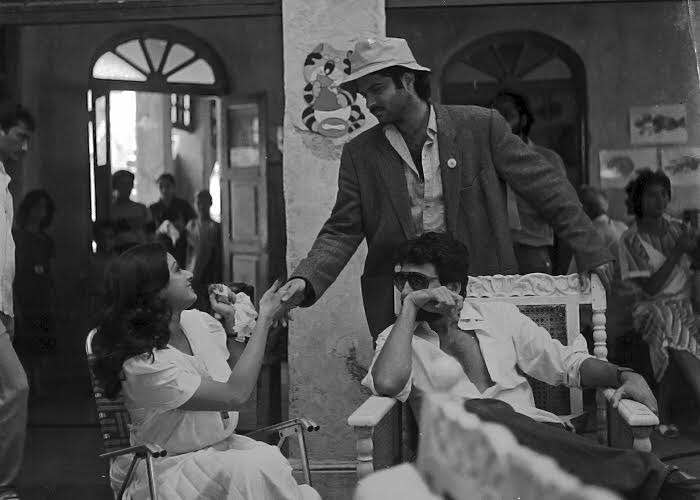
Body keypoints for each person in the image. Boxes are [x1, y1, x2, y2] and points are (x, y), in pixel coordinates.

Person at [279, 37, 613, 339]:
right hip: (401, 301)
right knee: (413, 397)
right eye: (365, 94)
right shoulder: (360, 153)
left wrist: (591, 249)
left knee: (487, 386)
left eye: (377, 89)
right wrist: (306, 279)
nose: (369, 103)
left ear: (407, 80)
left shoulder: (481, 126)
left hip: (478, 290)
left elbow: (548, 189)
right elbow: (342, 229)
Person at [364, 231, 700, 499]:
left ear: (452, 288)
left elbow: (566, 364)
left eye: (419, 283)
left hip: (537, 443)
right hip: (462, 459)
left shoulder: (498, 317)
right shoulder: (396, 340)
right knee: (477, 413)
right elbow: (389, 384)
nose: (408, 290)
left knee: (490, 415)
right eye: (402, 282)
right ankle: (657, 480)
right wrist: (408, 308)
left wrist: (624, 373)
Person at [92, 244, 320, 500]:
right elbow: (235, 395)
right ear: (153, 291)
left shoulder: (196, 322)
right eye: (177, 270)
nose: (189, 273)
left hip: (222, 451)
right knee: (251, 471)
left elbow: (235, 380)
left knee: (262, 463)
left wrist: (234, 327)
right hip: (170, 468)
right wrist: (264, 319)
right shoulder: (143, 364)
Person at [618, 168, 700, 438]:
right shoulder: (630, 239)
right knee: (665, 318)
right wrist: (679, 251)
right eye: (652, 195)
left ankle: (663, 415)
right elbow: (651, 289)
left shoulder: (680, 228)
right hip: (649, 308)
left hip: (685, 306)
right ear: (638, 199)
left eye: (664, 194)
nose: (660, 200)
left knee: (672, 327)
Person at [490, 91, 568, 274]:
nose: (499, 121)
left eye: (507, 115)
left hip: (534, 247)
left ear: (523, 120)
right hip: (494, 252)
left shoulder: (548, 159)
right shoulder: (483, 160)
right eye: (493, 115)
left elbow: (563, 211)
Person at [0, 103, 35, 500]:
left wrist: (9, 306)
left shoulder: (4, 179)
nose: (24, 147)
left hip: (2, 303)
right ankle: (4, 485)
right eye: (19, 136)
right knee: (17, 387)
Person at [12, 189, 56, 396]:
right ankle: (29, 383)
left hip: (43, 294)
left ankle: (40, 383)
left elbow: (50, 270)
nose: (40, 212)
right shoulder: (17, 236)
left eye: (44, 208)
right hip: (23, 292)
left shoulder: (46, 240)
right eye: (37, 206)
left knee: (43, 339)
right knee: (25, 340)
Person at [186, 190, 222, 311]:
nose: (201, 206)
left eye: (204, 203)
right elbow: (188, 251)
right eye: (198, 202)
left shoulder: (215, 226)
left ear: (210, 203)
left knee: (207, 304)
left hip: (209, 270)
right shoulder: (191, 225)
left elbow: (217, 253)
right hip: (192, 270)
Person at [150, 174, 195, 267]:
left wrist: (183, 227)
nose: (164, 190)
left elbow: (193, 224)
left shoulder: (183, 205)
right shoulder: (153, 208)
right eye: (161, 186)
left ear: (174, 187)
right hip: (161, 249)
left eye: (167, 186)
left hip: (181, 247)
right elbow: (149, 231)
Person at [110, 169, 150, 252]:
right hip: (117, 254)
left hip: (140, 253)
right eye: (122, 184)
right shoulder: (110, 210)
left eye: (129, 184)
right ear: (115, 186)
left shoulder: (141, 208)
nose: (127, 188)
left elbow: (151, 234)